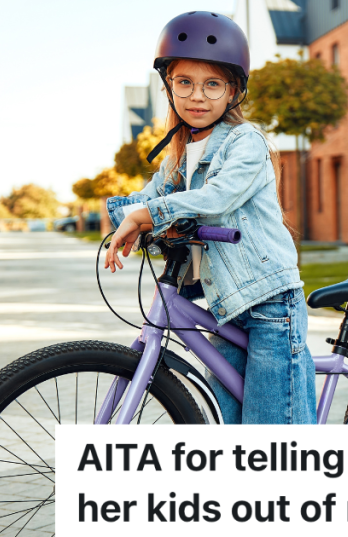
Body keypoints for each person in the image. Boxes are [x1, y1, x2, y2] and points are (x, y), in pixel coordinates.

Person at [102, 11, 316, 424]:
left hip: (270, 304)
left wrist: (152, 214)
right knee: (225, 425)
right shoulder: (180, 154)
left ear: (233, 90)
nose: (197, 96)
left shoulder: (245, 142)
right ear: (169, 87)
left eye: (212, 84)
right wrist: (127, 218)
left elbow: (215, 199)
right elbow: (151, 196)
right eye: (184, 83)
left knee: (272, 436)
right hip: (226, 307)